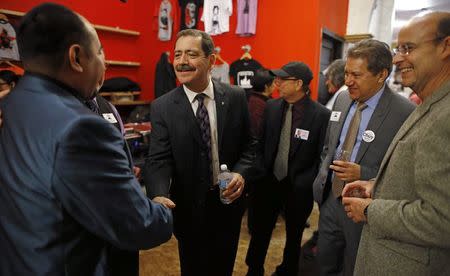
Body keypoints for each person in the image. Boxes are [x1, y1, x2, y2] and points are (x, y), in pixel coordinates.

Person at [0, 3, 172, 275]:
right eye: (101, 51)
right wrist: (159, 209)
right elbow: (136, 223)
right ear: (77, 57)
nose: (104, 62)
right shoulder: (81, 127)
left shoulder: (12, 105)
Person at [342, 11, 450, 275]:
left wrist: (371, 210)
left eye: (408, 48)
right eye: (397, 48)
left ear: (446, 46)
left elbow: (441, 219)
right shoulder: (430, 106)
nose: (398, 58)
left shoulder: (444, 114)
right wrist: (377, 186)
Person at [143, 29, 255, 276]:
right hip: (188, 211)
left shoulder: (236, 97)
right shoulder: (162, 107)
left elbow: (250, 147)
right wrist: (159, 193)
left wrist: (241, 174)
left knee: (223, 268)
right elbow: (158, 158)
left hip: (228, 206)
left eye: (191, 54)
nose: (182, 62)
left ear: (211, 61)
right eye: (178, 54)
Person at [312, 39, 415, 276]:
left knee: (354, 267)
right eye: (347, 73)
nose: (347, 81)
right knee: (324, 264)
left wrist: (364, 173)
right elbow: (330, 146)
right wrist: (322, 178)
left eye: (356, 75)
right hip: (329, 200)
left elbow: (404, 170)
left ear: (381, 75)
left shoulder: (404, 113)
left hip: (363, 207)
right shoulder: (342, 98)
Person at [245, 61, 331, 276]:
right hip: (267, 182)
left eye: (283, 79)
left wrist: (307, 181)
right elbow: (260, 143)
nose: (277, 83)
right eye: (277, 78)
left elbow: (323, 154)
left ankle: (288, 269)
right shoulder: (271, 107)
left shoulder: (320, 115)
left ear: (299, 84)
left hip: (298, 187)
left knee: (294, 236)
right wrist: (257, 171)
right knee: (260, 233)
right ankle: (254, 269)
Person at [247, 69, 275, 138]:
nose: (275, 85)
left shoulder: (251, 98)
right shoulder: (259, 106)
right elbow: (257, 133)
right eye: (273, 83)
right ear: (266, 87)